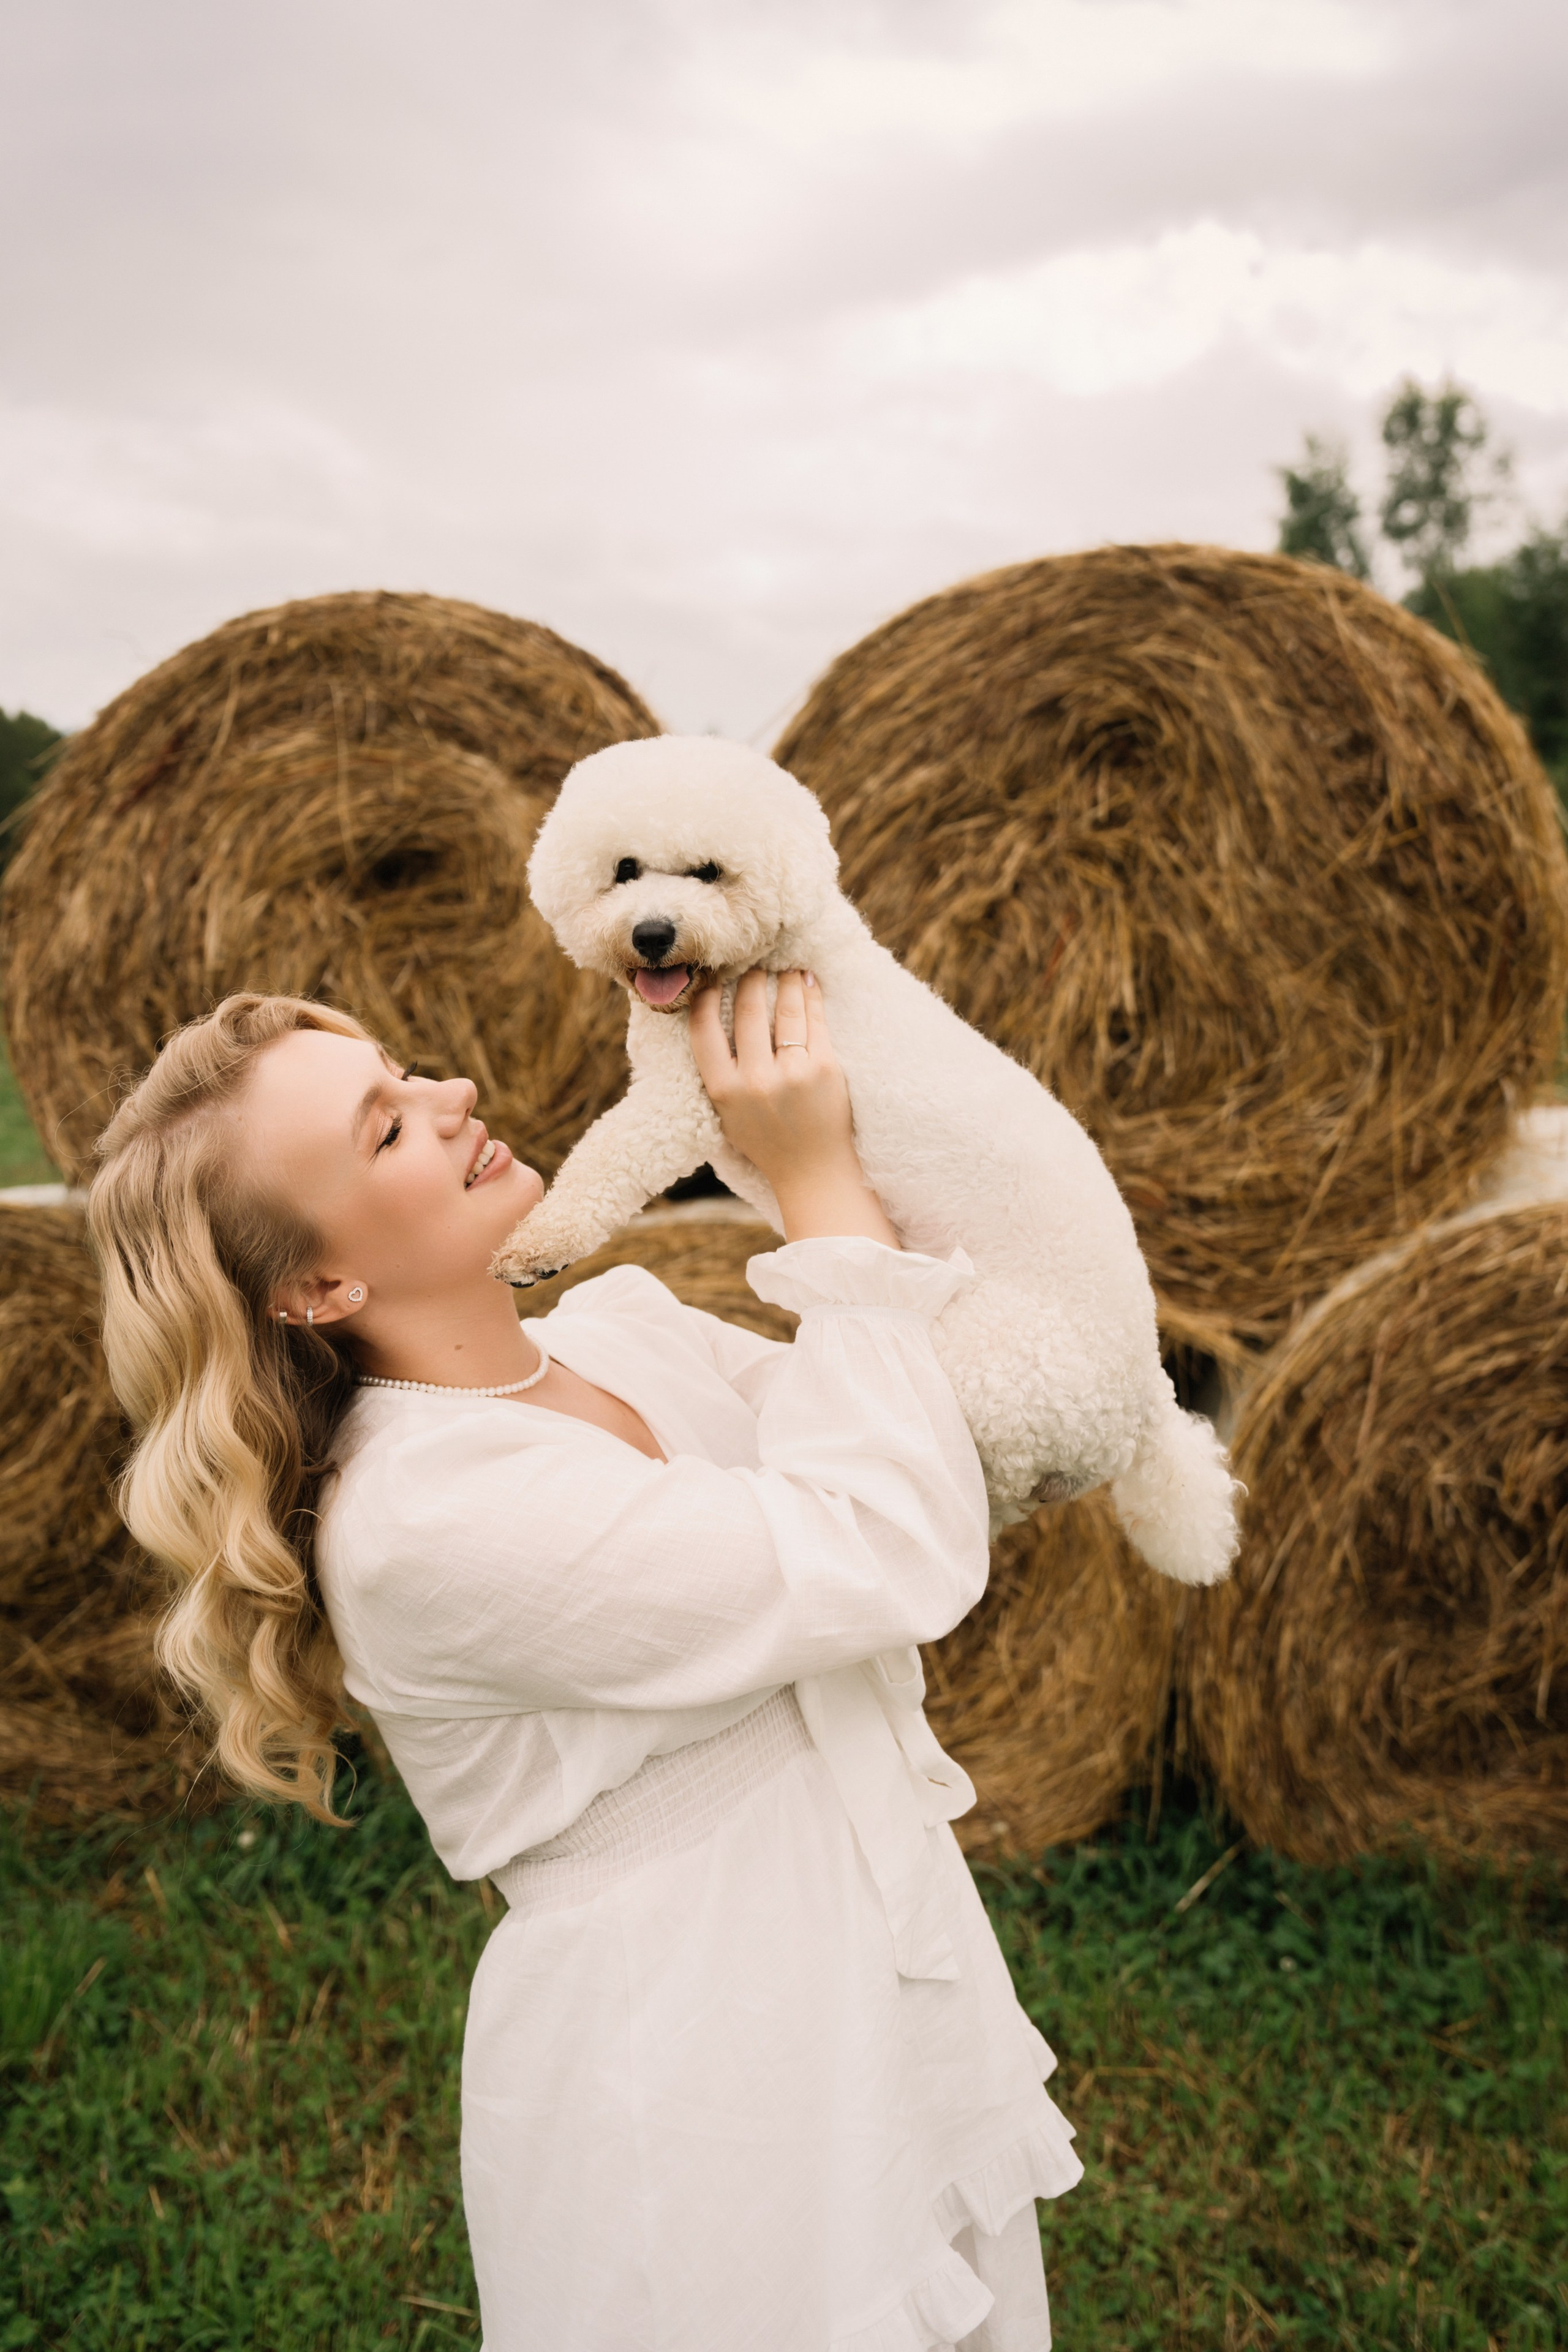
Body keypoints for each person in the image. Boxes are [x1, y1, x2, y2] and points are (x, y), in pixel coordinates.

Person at [88, 970, 1082, 2351]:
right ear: (321, 1283)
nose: (451, 1101)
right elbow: (884, 1543)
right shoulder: (422, 1520)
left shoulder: (625, 1333)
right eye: (384, 1131)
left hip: (863, 1971)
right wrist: (813, 1179)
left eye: (408, 1071)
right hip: (698, 2063)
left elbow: (927, 1443)